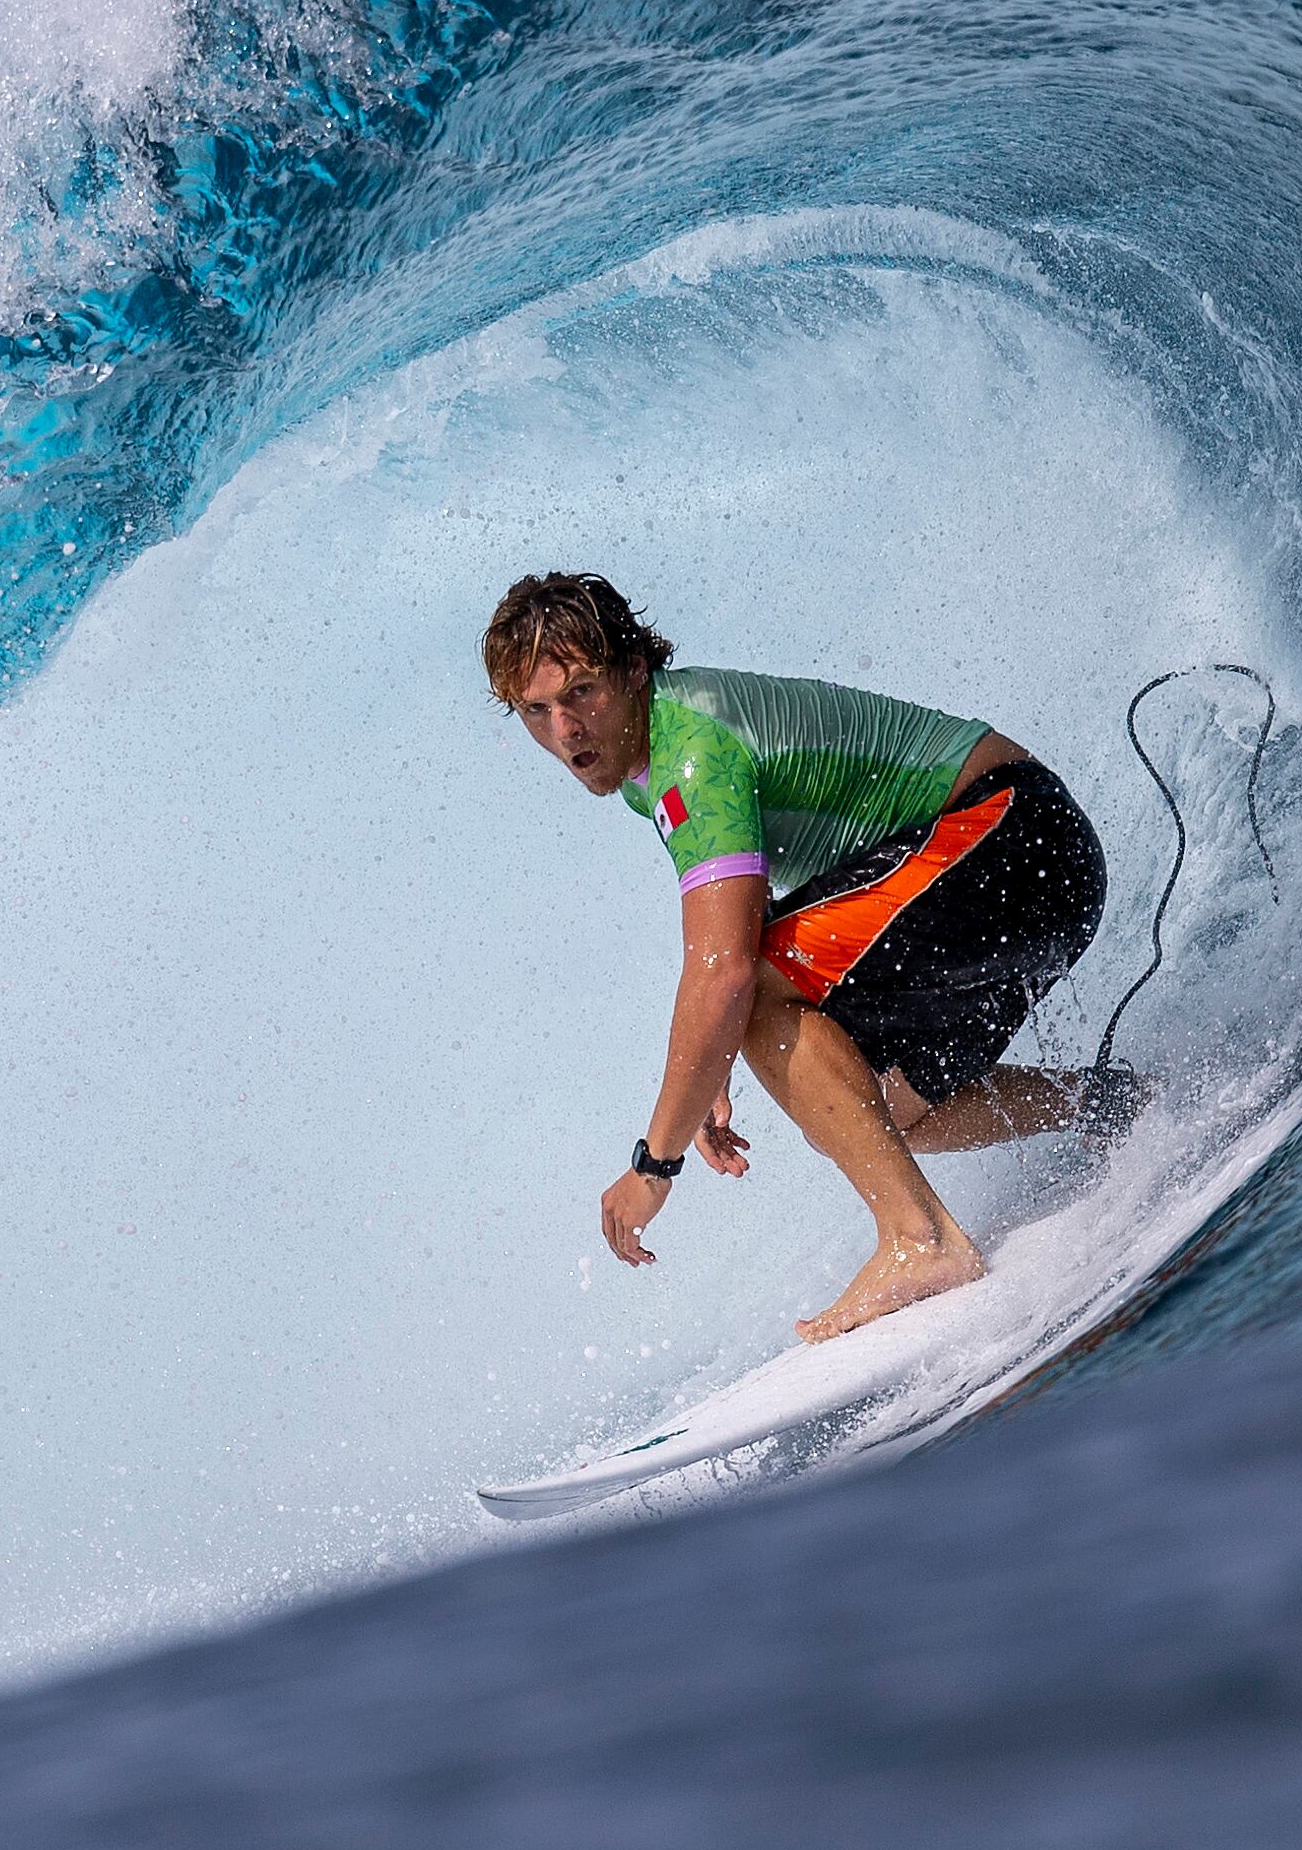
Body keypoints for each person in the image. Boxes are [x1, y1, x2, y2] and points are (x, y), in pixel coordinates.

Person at [485, 571, 1135, 1341]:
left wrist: (653, 1164)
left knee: (756, 1000)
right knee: (875, 1110)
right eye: (537, 710)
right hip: (1033, 863)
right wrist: (713, 1063)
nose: (565, 728)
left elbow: (727, 972)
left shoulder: (693, 750)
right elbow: (740, 924)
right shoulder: (647, 762)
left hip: (1012, 838)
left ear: (632, 670)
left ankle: (921, 1239)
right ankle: (1110, 1102)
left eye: (581, 692)